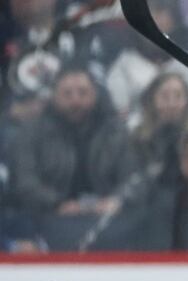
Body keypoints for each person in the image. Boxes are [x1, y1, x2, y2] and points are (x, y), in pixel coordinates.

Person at [9, 67, 138, 250]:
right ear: (53, 96)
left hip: (109, 219)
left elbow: (133, 177)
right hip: (49, 217)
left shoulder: (116, 132)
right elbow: (25, 181)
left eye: (82, 93)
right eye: (67, 93)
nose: (75, 100)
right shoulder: (32, 132)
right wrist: (57, 203)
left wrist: (115, 200)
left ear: (95, 94)